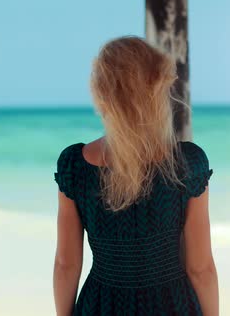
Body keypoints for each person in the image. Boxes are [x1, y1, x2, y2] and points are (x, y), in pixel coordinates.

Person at [52, 36, 218, 316]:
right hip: (171, 306)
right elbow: (200, 268)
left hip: (101, 306)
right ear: (158, 89)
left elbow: (66, 264)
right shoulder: (188, 163)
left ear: (101, 94)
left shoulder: (75, 166)